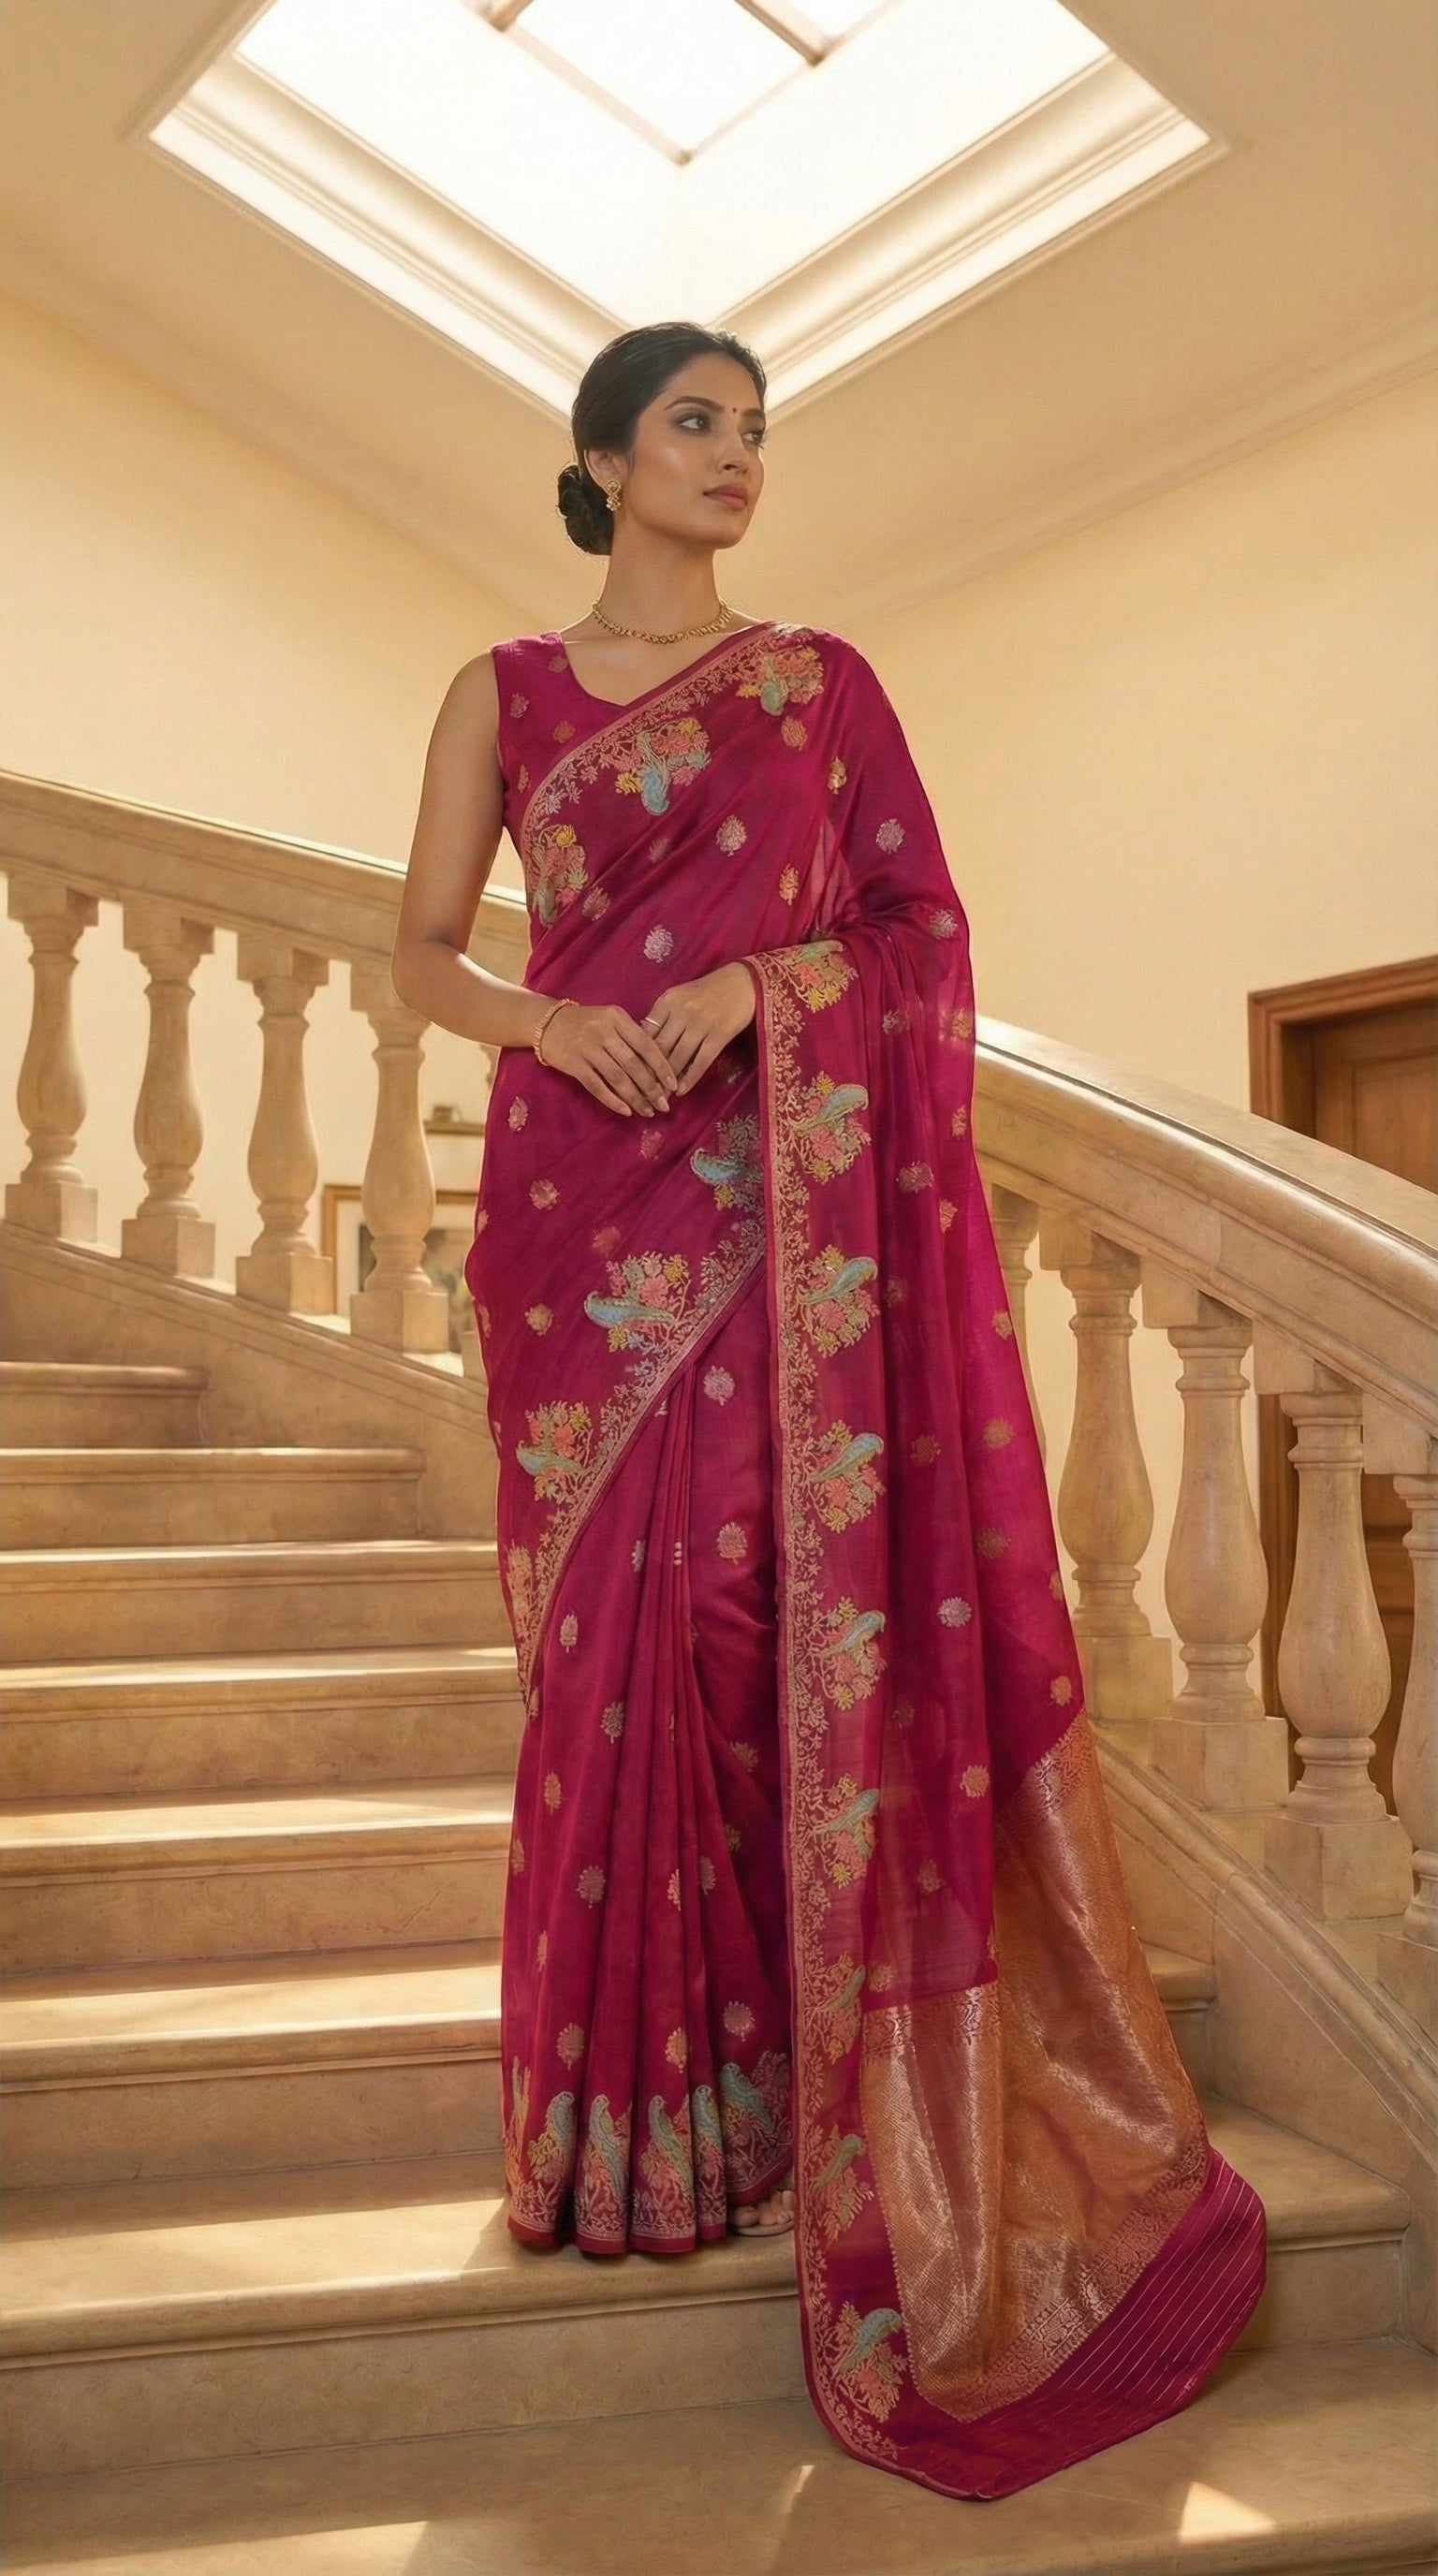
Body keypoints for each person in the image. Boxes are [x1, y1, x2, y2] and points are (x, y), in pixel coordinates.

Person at [390, 320, 1266, 2501]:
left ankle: (795, 2098)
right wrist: (557, 1021)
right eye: (696, 423)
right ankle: (621, 2136)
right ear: (601, 457)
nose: (738, 458)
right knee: (620, 1656)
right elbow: (418, 948)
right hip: (581, 1203)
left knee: (764, 1623)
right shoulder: (499, 690)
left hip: (777, 1203)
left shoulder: (823, 687)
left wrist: (753, 985)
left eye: (758, 430)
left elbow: (913, 934)